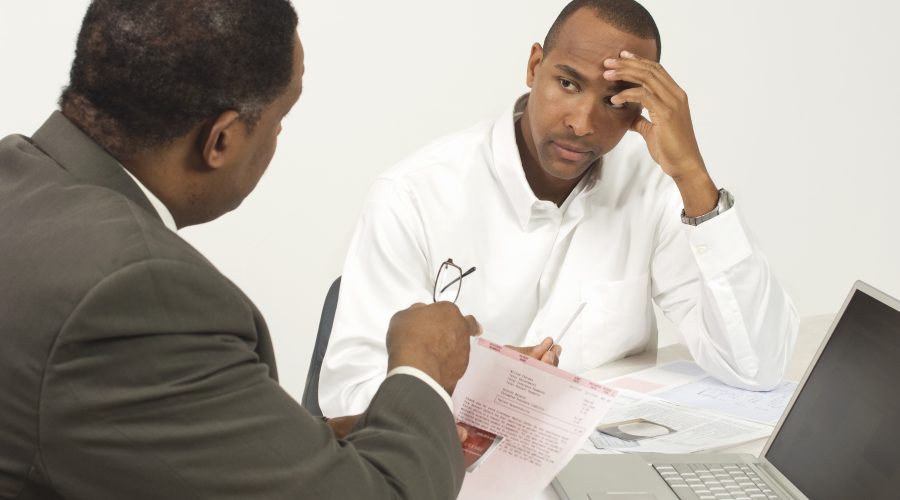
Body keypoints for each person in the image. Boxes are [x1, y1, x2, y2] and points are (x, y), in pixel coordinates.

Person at [0, 1, 481, 498]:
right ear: (221, 140)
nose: (277, 137)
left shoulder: (17, 180)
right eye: (279, 118)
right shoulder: (136, 292)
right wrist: (421, 368)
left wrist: (305, 446)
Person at [319, 0, 799, 417]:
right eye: (568, 83)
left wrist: (693, 176)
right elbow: (349, 398)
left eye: (615, 101)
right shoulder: (413, 196)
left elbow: (755, 366)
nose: (583, 123)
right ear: (534, 67)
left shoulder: (654, 188)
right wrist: (482, 380)